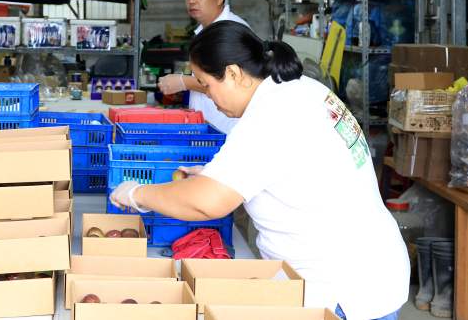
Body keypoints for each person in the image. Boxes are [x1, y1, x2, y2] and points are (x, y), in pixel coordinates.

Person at [112, 21, 408, 320]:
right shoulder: (299, 88)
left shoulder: (270, 114)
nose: (209, 96)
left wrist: (138, 194)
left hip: (341, 287)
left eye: (207, 84)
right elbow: (292, 169)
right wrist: (217, 175)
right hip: (370, 266)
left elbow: (207, 203)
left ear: (233, 74)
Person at [157, 0, 250, 133]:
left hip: (226, 130)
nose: (191, 0)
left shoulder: (232, 29)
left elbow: (233, 83)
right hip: (206, 129)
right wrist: (186, 87)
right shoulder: (203, 31)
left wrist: (184, 82)